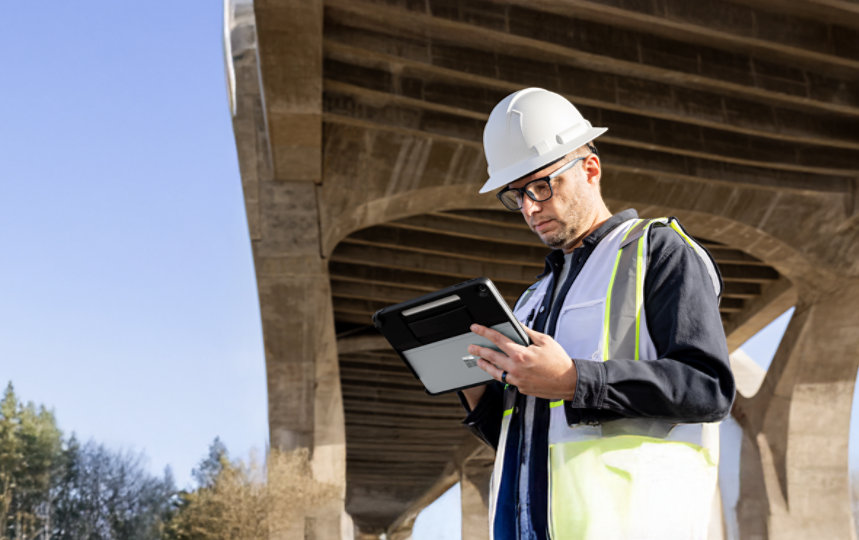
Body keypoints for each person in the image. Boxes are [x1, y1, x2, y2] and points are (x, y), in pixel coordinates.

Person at [459, 88, 735, 540]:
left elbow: (709, 388)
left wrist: (573, 380)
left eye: (542, 186)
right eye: (516, 195)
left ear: (590, 169)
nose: (529, 207)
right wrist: (477, 392)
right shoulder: (531, 300)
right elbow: (522, 434)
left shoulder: (657, 251)